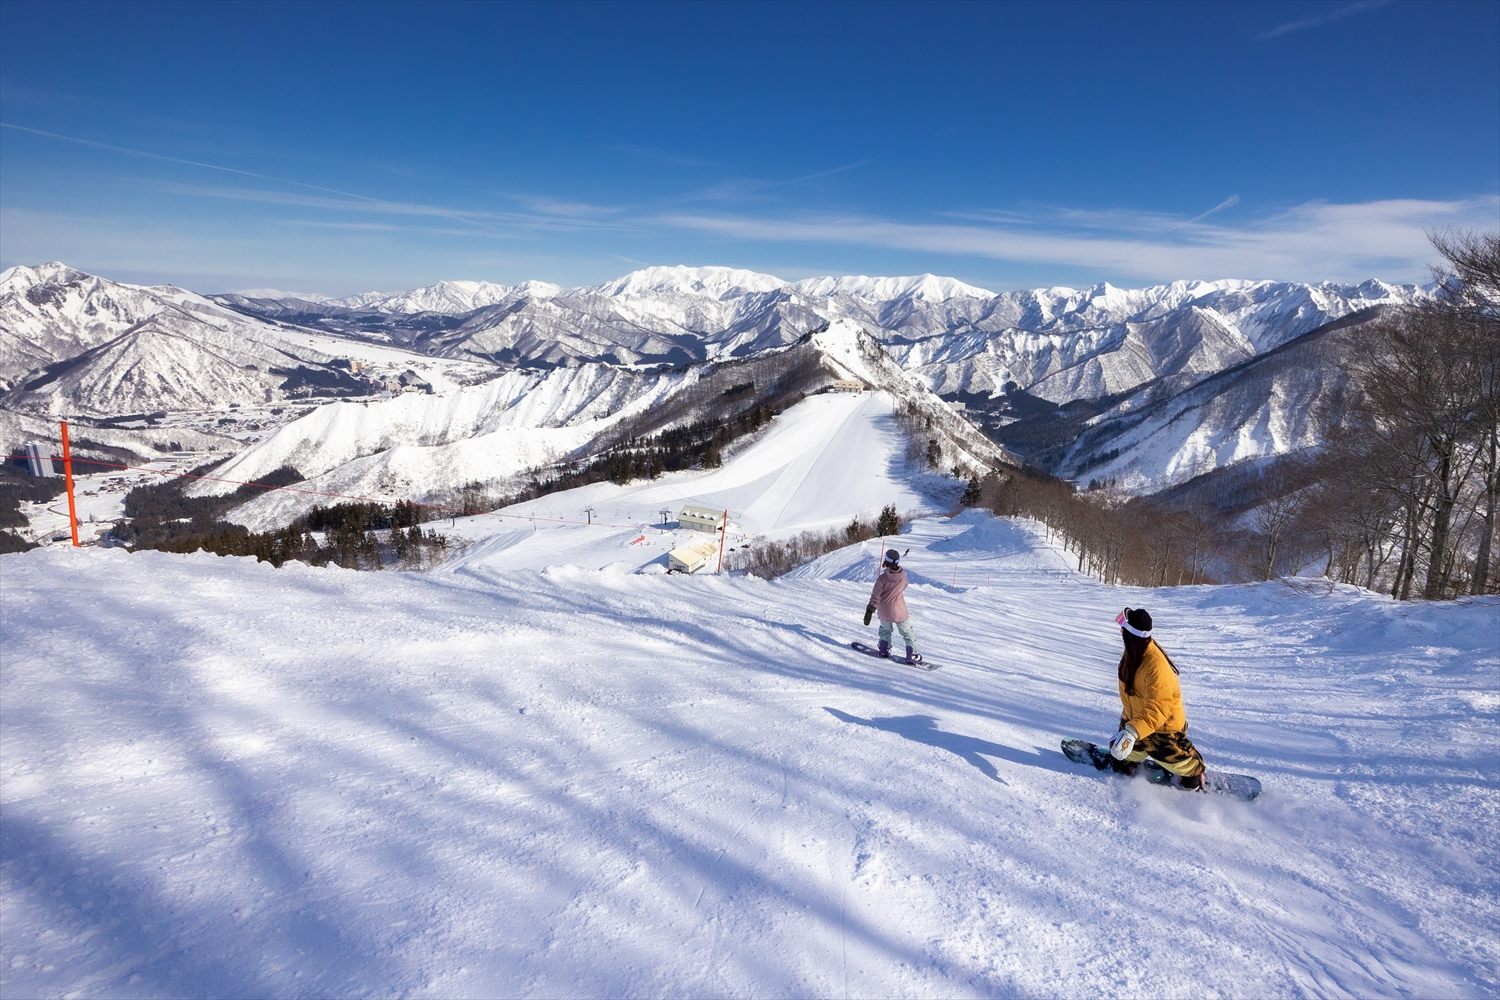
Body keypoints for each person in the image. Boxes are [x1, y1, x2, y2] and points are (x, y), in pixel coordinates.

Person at [1106, 607, 1207, 791]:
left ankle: (1194, 770)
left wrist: (1132, 732)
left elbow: (1158, 710)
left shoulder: (1156, 668)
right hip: (1137, 721)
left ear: (1130, 634)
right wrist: (1129, 729)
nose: (1120, 630)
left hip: (1163, 727)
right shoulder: (1133, 654)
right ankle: (1132, 760)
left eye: (1123, 626)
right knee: (1120, 755)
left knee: (1173, 760)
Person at [865, 548, 923, 664]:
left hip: (884, 611)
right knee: (907, 632)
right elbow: (905, 585)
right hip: (899, 610)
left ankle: (884, 650)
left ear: (887, 561)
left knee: (885, 630)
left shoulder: (882, 579)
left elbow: (875, 596)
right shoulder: (902, 576)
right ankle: (912, 654)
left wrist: (870, 610)